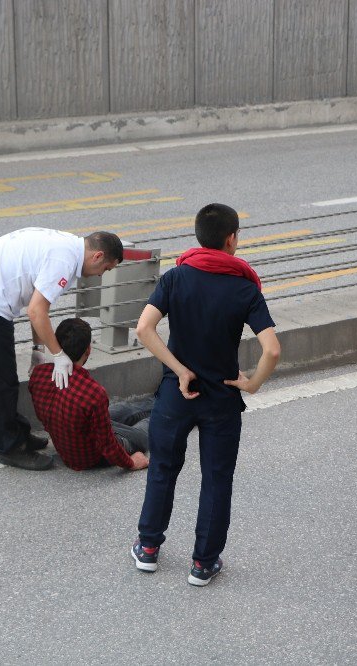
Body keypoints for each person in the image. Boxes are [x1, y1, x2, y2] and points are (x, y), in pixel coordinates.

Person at [130, 203, 280, 587]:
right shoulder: (245, 287)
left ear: (199, 236)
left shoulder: (176, 277)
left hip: (176, 395)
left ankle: (148, 548)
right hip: (222, 399)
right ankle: (204, 562)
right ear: (231, 239)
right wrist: (252, 384)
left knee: (163, 469)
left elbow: (144, 329)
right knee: (216, 479)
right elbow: (272, 350)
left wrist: (179, 369)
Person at [0, 227, 123, 471]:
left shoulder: (68, 249)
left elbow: (38, 306)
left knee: (5, 374)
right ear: (97, 256)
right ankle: (9, 447)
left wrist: (38, 348)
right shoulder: (64, 262)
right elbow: (36, 310)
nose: (101, 276)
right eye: (106, 269)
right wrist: (58, 355)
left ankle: (18, 433)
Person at [29, 317, 151, 472]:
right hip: (91, 457)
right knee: (142, 432)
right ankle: (175, 409)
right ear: (88, 350)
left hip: (70, 442)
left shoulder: (38, 375)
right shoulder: (93, 393)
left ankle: (161, 398)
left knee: (124, 409)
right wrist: (131, 463)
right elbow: (107, 445)